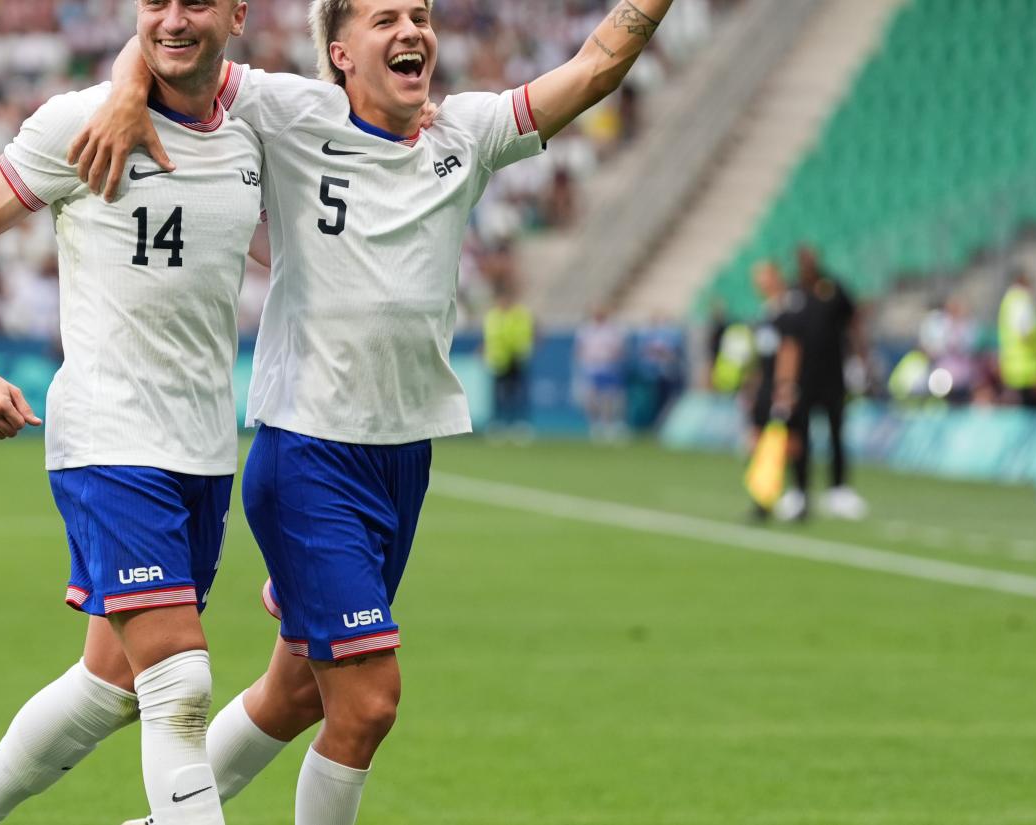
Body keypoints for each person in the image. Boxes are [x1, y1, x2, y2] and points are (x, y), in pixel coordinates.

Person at [73, 0, 675, 822]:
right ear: (340, 53)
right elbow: (177, 49)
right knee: (368, 702)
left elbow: (597, 69)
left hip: (402, 457)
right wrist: (121, 92)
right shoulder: (292, 112)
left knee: (298, 692)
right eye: (385, 18)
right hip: (310, 452)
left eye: (420, 15)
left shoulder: (466, 134)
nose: (411, 31)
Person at [0, 4, 264, 825]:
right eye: (155, 2)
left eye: (196, 1)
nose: (172, 18)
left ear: (238, 13)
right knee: (179, 680)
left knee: (114, 682)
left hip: (205, 449)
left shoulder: (254, 135)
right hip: (109, 433)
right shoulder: (78, 120)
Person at [772, 244, 867, 522]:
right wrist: (785, 381)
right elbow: (787, 340)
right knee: (799, 436)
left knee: (836, 433)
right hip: (802, 379)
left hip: (832, 376)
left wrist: (860, 359)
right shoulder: (793, 294)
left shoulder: (833, 288)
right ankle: (799, 491)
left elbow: (854, 321)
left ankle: (839, 490)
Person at [741, 260, 791, 519]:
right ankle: (763, 496)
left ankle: (788, 493)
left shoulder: (787, 308)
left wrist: (784, 385)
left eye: (764, 277)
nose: (760, 283)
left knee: (784, 440)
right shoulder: (765, 311)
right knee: (759, 439)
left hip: (780, 385)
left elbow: (788, 350)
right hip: (765, 383)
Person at [482, 284, 535, 438]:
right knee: (499, 395)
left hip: (517, 358)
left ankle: (519, 423)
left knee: (517, 393)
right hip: (499, 360)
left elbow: (527, 333)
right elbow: (490, 338)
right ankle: (499, 423)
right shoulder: (492, 316)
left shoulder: (520, 314)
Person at [998, 269, 1036, 408]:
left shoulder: (1010, 300)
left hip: (1016, 370)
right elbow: (1025, 332)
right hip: (1031, 373)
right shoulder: (1021, 300)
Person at [575, 306, 630, 442]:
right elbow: (579, 349)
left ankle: (608, 425)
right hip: (591, 367)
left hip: (608, 366)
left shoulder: (613, 330)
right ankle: (595, 424)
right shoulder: (586, 330)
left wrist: (612, 357)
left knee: (608, 398)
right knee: (591, 397)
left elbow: (620, 349)